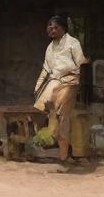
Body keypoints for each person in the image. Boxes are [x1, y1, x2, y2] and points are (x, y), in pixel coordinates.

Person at [33, 15, 88, 169]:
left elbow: (81, 63)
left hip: (70, 81)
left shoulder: (72, 43)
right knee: (43, 108)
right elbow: (46, 69)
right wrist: (37, 87)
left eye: (56, 27)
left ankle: (64, 156)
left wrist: (79, 85)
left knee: (61, 114)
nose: (52, 30)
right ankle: (53, 146)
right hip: (54, 81)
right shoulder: (50, 48)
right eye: (50, 27)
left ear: (63, 29)